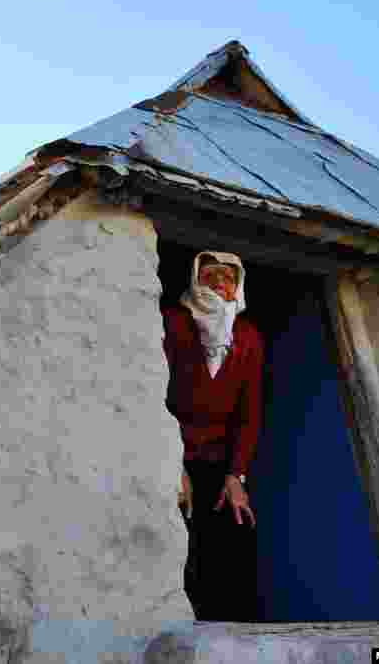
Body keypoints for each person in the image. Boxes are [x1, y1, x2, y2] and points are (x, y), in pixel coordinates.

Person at [162, 251, 264, 621]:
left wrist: (237, 475)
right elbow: (152, 393)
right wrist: (172, 465)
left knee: (232, 536)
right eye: (210, 275)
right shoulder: (173, 322)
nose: (220, 282)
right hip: (175, 451)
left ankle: (234, 631)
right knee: (178, 542)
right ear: (194, 280)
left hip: (222, 460)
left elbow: (248, 413)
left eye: (228, 276)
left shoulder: (248, 336)